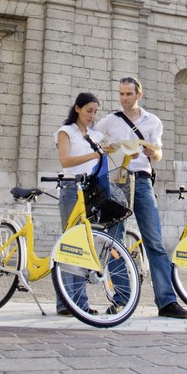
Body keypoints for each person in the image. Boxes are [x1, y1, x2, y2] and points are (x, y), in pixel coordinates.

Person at [96, 76, 187, 319]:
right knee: (115, 241)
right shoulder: (110, 120)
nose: (124, 98)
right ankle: (122, 299)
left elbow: (158, 154)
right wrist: (102, 149)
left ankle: (167, 302)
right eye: (121, 94)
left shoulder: (153, 122)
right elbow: (93, 140)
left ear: (139, 94)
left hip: (142, 180)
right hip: (117, 181)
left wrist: (153, 152)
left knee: (155, 242)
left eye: (128, 94)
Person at [54, 92, 106, 316]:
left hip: (90, 192)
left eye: (95, 112)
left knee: (85, 245)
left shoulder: (95, 136)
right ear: (77, 109)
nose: (92, 116)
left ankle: (80, 303)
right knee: (70, 244)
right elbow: (65, 160)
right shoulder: (65, 132)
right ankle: (67, 303)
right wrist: (93, 156)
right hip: (70, 190)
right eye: (88, 111)